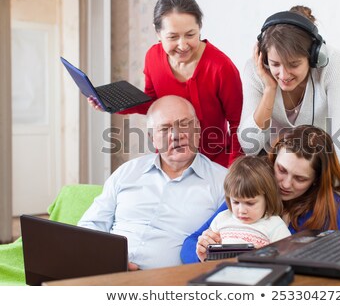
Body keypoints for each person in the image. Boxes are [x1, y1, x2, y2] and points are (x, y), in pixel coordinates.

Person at [237, 6, 340, 217]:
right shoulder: (256, 71)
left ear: (313, 57)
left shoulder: (332, 64)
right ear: (264, 58)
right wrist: (269, 88)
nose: (283, 74)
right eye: (275, 64)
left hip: (311, 167)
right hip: (273, 167)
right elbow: (250, 145)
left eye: (293, 65)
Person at [89, 0, 243, 168]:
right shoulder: (153, 58)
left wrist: (233, 170)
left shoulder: (221, 67)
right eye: (173, 37)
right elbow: (152, 105)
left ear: (200, 28)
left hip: (214, 162)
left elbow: (238, 124)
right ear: (158, 34)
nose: (183, 45)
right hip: (170, 161)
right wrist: (110, 103)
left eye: (190, 34)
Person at [78, 95, 228, 270]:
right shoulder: (127, 172)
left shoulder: (223, 182)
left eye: (184, 124)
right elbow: (91, 225)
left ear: (198, 128)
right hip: (107, 273)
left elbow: (225, 244)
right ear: (152, 138)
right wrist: (103, 260)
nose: (176, 135)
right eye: (165, 129)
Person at [181, 125, 340, 263]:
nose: (285, 184)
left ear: (316, 180)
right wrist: (203, 252)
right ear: (273, 159)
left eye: (300, 178)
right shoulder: (251, 189)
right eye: (281, 170)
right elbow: (189, 244)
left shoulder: (330, 206)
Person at [204, 155, 291, 260]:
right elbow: (208, 252)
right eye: (235, 202)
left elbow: (288, 256)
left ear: (267, 199)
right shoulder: (221, 219)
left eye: (250, 203)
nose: (241, 211)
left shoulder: (275, 225)